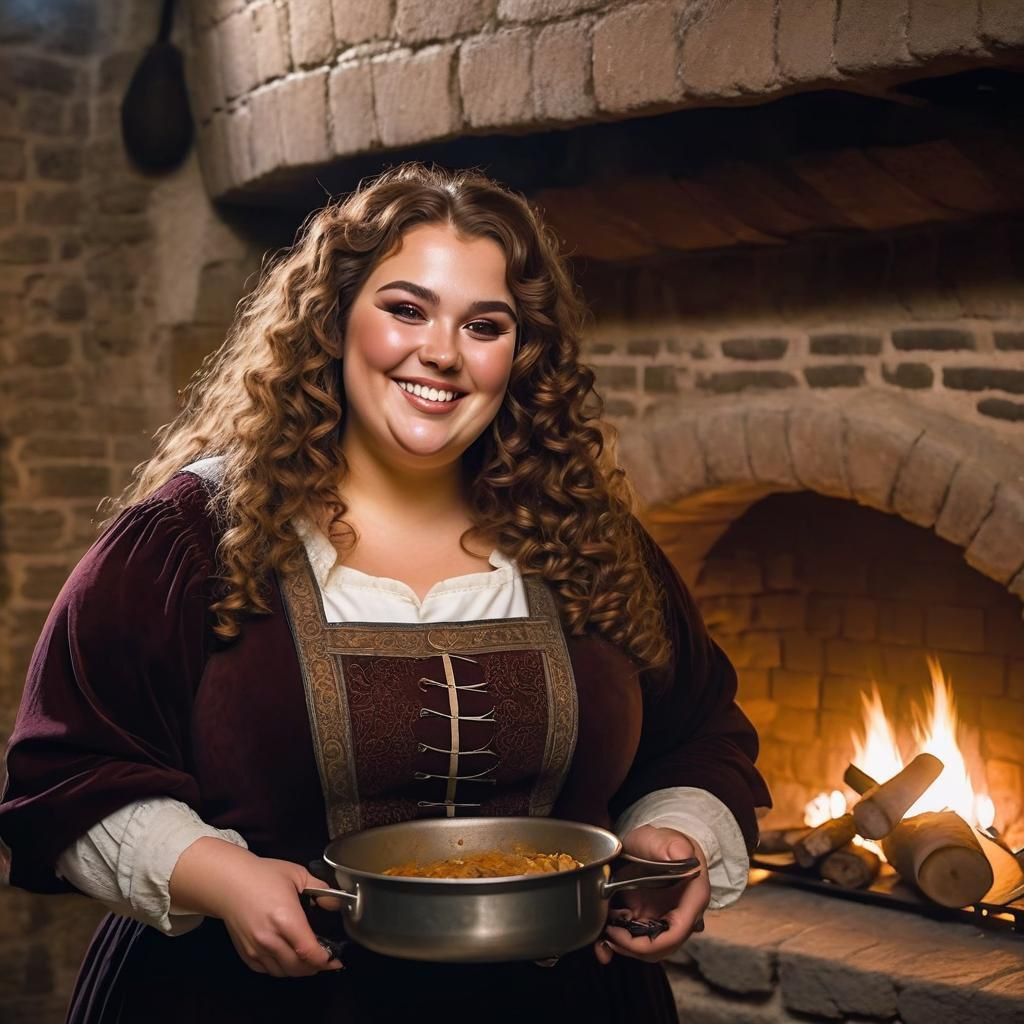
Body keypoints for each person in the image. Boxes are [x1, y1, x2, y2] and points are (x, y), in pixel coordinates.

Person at [0, 163, 770, 1023]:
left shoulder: (589, 539)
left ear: (521, 354)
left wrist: (679, 837)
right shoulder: (190, 536)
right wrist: (222, 879)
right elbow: (66, 770)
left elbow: (697, 734)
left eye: (485, 325)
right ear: (332, 321)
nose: (441, 352)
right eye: (406, 309)